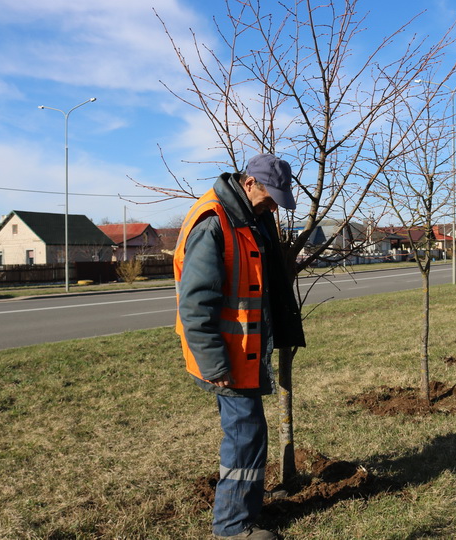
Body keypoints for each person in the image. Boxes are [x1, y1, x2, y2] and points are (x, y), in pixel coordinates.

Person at [174, 153, 306, 539]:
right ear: (249, 183)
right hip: (225, 360)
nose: (272, 207)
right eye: (269, 198)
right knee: (246, 434)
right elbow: (196, 305)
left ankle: (244, 508)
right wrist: (215, 366)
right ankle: (232, 528)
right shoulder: (213, 223)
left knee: (248, 433)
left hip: (243, 353)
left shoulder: (249, 217)